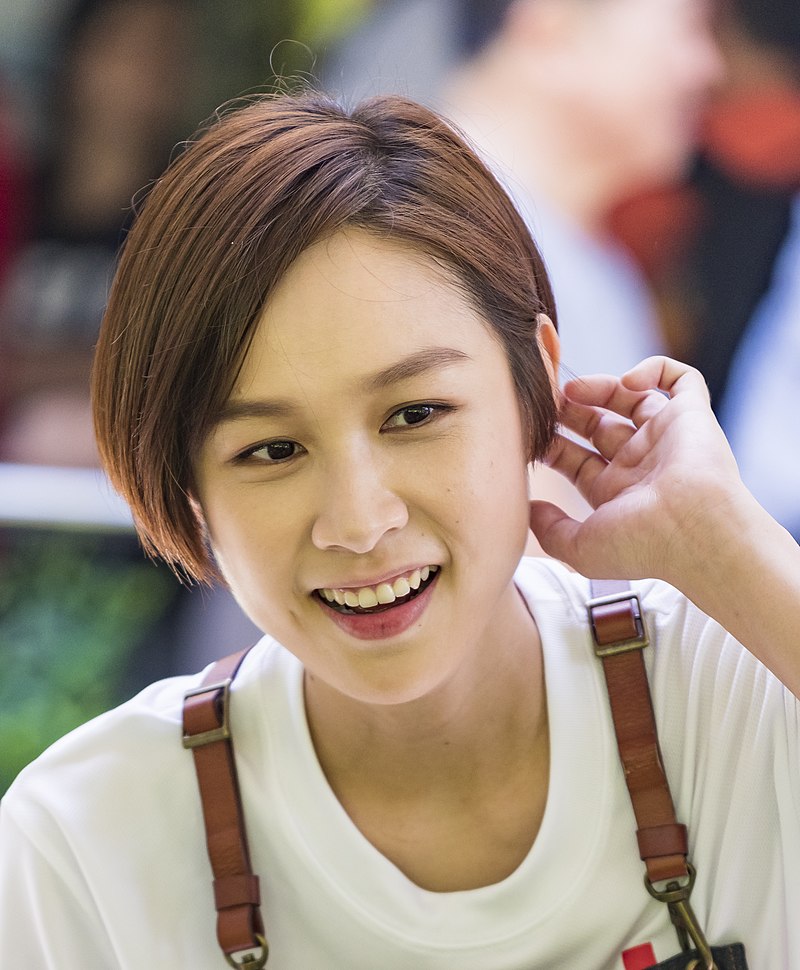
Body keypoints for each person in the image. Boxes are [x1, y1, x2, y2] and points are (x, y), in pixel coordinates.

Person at [0, 90, 798, 969]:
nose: (359, 521)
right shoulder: (88, 846)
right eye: (271, 450)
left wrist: (727, 546)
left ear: (536, 382)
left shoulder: (739, 700)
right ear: (187, 487)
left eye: (415, 414)